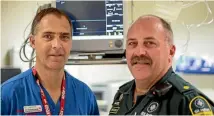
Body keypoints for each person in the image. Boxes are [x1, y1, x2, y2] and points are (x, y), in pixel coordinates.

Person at [1, 8, 99, 115]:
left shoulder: (85, 96)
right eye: (48, 36)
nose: (57, 45)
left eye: (64, 37)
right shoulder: (8, 95)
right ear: (33, 42)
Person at [109, 14, 214, 115]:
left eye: (150, 43)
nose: (139, 52)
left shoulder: (187, 103)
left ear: (171, 51)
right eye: (132, 43)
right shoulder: (123, 94)